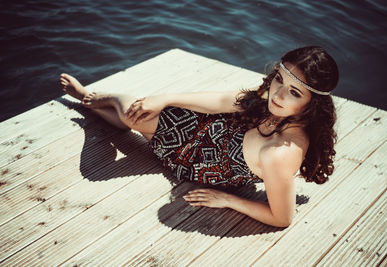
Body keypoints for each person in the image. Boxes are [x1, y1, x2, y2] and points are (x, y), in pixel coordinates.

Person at [59, 46, 338, 227]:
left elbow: (283, 218)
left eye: (294, 92)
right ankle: (93, 102)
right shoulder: (276, 103)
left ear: (313, 103)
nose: (278, 94)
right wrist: (164, 98)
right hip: (208, 128)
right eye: (279, 79)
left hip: (193, 158)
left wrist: (228, 200)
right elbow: (225, 100)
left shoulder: (280, 153)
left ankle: (94, 98)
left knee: (130, 114)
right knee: (140, 112)